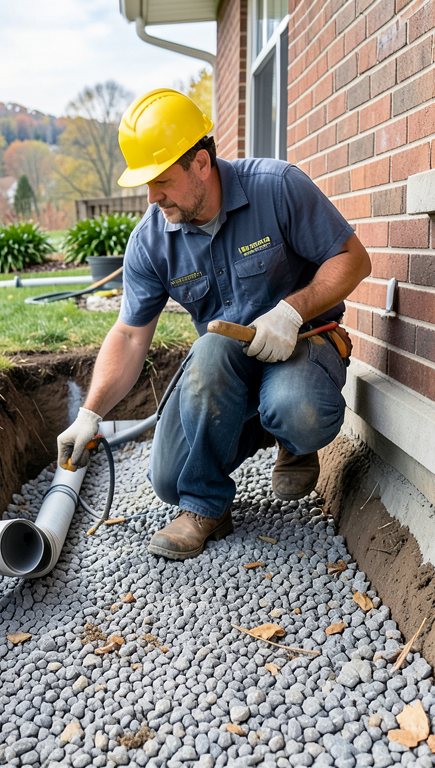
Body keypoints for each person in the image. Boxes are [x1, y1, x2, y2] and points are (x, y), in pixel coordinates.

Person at [56, 88, 371, 561]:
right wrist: (90, 414)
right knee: (169, 477)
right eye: (146, 184)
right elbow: (129, 334)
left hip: (302, 343)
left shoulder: (277, 187)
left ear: (201, 163)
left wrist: (291, 311)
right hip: (226, 364)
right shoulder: (151, 240)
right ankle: (244, 447)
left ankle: (231, 484)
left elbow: (353, 259)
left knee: (298, 412)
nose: (152, 197)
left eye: (162, 180)